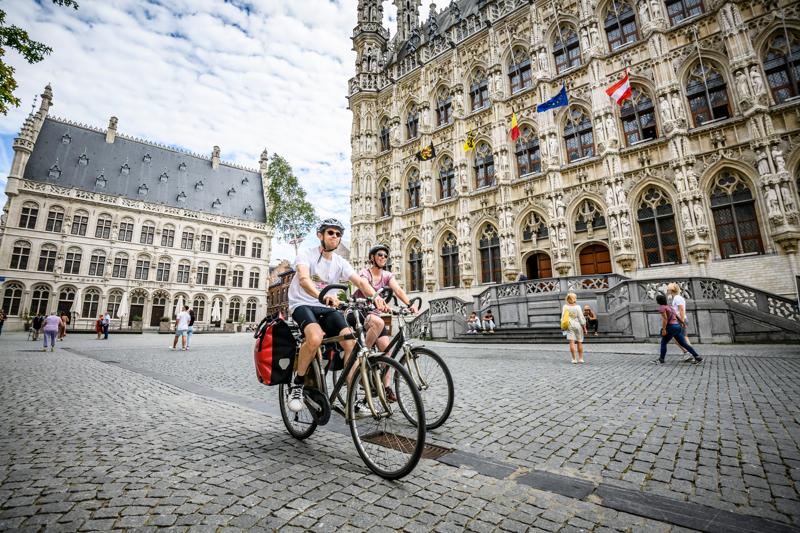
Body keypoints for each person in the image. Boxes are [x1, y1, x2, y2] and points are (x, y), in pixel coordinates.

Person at [286, 218, 388, 412]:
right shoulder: (305, 255)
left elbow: (359, 282)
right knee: (315, 338)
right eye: (330, 233)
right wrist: (322, 296)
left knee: (351, 342)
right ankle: (298, 384)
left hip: (327, 308)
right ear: (320, 235)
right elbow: (304, 280)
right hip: (303, 304)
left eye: (338, 234)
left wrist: (375, 296)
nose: (335, 237)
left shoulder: (340, 262)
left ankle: (351, 399)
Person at [352, 244, 418, 402]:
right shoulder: (365, 273)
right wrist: (377, 298)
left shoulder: (387, 275)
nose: (383, 257)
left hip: (374, 316)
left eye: (385, 256)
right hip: (357, 312)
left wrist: (410, 305)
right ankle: (363, 357)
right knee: (379, 322)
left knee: (387, 353)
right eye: (380, 255)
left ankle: (387, 388)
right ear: (372, 258)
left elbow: (398, 290)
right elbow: (364, 286)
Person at [653, 293, 702, 364]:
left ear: (658, 301)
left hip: (671, 327)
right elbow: (676, 316)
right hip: (677, 326)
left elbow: (665, 319)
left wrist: (664, 329)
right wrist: (682, 323)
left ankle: (661, 359)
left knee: (663, 343)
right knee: (684, 344)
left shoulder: (662, 307)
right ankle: (697, 357)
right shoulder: (670, 307)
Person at [667, 282, 694, 362]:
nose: (667, 290)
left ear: (672, 290)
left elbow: (681, 309)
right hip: (679, 320)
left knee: (681, 338)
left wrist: (682, 321)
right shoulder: (676, 298)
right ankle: (688, 353)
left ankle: (691, 354)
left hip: (680, 320)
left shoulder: (677, 298)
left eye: (668, 288)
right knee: (679, 338)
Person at [563, 293, 587, 364]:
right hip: (578, 325)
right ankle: (581, 358)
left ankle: (574, 359)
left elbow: (563, 317)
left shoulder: (565, 307)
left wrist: (563, 327)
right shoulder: (578, 307)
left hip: (569, 325)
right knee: (579, 342)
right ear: (574, 298)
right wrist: (584, 328)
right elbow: (581, 318)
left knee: (572, 342)